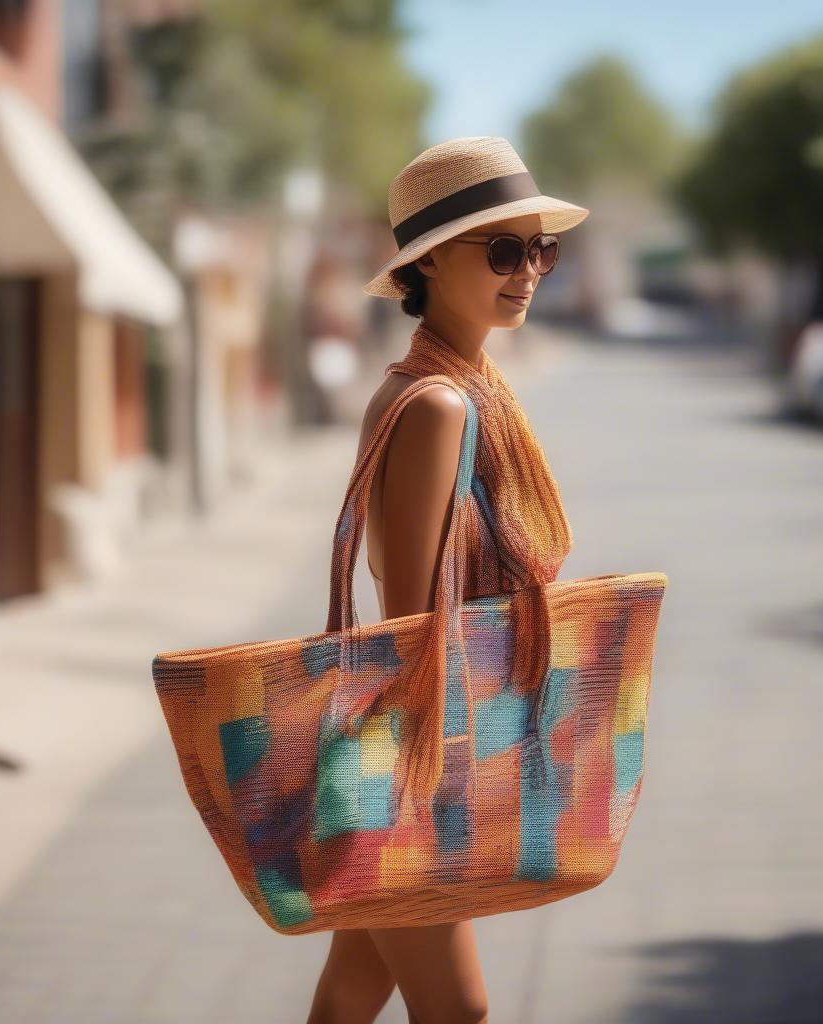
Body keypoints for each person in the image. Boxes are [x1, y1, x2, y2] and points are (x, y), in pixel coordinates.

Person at [306, 136, 588, 1024]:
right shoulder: (437, 404)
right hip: (414, 749)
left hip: (408, 738)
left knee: (354, 990)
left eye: (540, 248)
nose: (528, 270)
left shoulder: (442, 386)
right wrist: (444, 777)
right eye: (502, 250)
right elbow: (410, 625)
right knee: (457, 1010)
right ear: (428, 260)